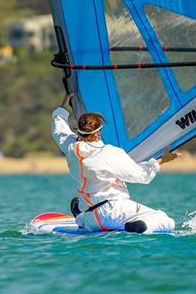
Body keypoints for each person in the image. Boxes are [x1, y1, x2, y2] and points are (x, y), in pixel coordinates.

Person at [51, 92, 179, 233]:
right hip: (116, 211)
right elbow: (142, 176)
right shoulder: (110, 152)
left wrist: (63, 106)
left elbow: (59, 130)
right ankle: (139, 227)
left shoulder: (70, 148)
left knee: (89, 217)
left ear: (80, 131)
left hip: (94, 219)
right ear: (98, 132)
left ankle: (80, 218)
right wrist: (161, 161)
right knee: (165, 220)